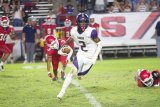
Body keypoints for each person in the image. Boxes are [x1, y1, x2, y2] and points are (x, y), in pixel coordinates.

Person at [57, 13, 102, 99]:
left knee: (80, 74)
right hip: (81, 54)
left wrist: (95, 57)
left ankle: (80, 73)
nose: (83, 24)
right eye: (81, 22)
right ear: (77, 22)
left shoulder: (91, 31)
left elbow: (100, 44)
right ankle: (61, 92)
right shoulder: (73, 30)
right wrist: (63, 45)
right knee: (72, 72)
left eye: (84, 22)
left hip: (90, 56)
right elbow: (71, 37)